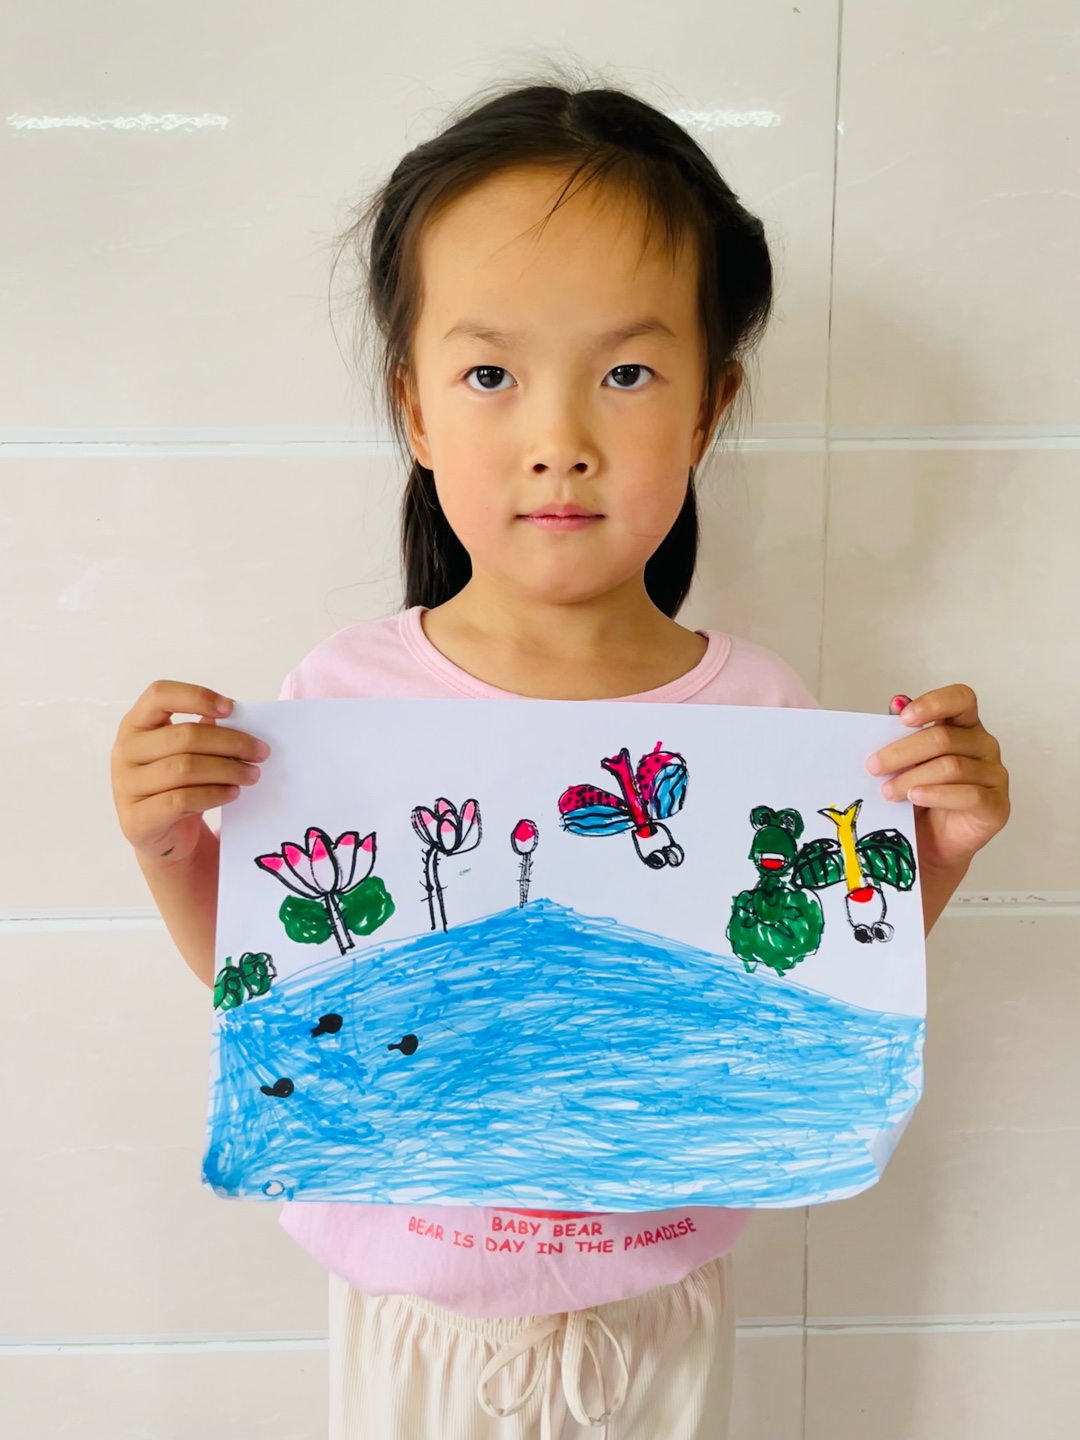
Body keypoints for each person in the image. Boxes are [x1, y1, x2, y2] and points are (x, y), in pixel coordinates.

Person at [110, 63, 1010, 1440]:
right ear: (417, 410)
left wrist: (934, 853)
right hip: (410, 1323)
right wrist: (170, 846)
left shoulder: (766, 713)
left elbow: (812, 979)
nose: (560, 440)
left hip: (665, 1312)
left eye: (627, 373)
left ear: (710, 406)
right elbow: (285, 996)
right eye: (491, 374)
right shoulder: (339, 696)